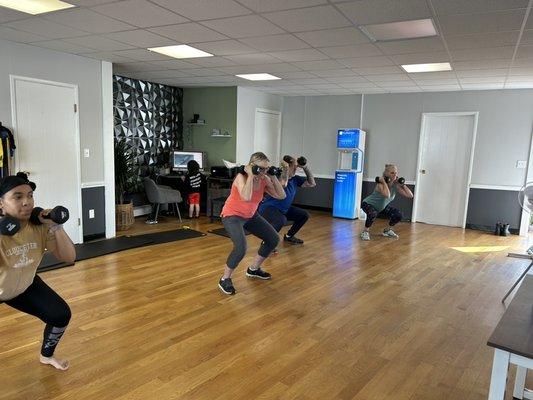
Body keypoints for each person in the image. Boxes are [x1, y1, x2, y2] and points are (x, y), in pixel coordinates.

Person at [0, 173, 76, 370]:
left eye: (30, 195)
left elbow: (69, 257)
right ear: (1, 204)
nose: (27, 202)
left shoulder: (39, 227)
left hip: (25, 284)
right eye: (17, 197)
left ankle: (47, 356)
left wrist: (56, 226)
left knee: (60, 315)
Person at [218, 152, 286, 295]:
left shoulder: (265, 179)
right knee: (241, 248)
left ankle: (253, 269)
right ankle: (225, 279)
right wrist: (250, 175)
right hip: (232, 216)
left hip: (251, 216)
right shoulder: (240, 177)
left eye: (266, 168)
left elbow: (281, 195)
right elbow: (246, 197)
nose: (264, 172)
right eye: (261, 168)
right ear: (252, 167)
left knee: (273, 239)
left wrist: (273, 177)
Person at [259, 155, 316, 245]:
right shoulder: (276, 175)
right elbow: (283, 184)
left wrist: (305, 167)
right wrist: (285, 169)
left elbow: (312, 183)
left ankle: (289, 236)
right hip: (268, 208)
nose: (296, 169)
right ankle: (267, 241)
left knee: (304, 215)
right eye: (294, 167)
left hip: (283, 209)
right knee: (281, 220)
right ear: (287, 166)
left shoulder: (295, 179)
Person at [360, 164, 413, 241]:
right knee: (372, 213)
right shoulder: (380, 184)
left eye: (396, 173)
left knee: (398, 214)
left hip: (381, 208)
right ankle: (365, 232)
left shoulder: (396, 185)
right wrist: (384, 182)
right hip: (368, 204)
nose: (395, 175)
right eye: (392, 173)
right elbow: (387, 195)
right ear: (386, 174)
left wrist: (403, 185)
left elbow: (410, 195)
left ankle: (387, 230)